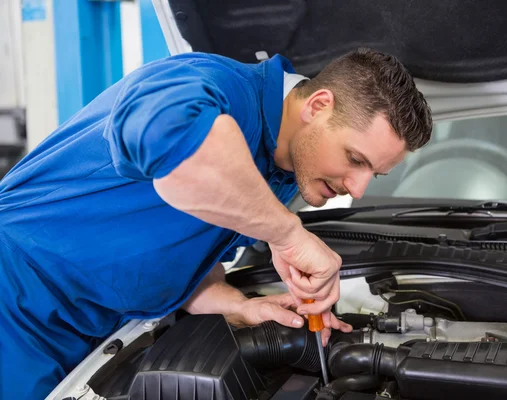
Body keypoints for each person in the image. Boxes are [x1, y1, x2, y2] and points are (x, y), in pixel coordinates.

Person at [0, 47, 432, 399]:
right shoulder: (214, 85)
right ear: (318, 106)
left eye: (372, 174)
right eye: (355, 159)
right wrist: (286, 232)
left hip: (93, 331)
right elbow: (170, 148)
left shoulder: (283, 170)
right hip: (17, 300)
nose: (357, 188)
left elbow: (189, 254)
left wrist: (236, 305)